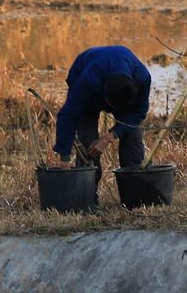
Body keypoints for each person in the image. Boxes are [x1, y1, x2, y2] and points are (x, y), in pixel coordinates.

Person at [52, 45, 151, 199]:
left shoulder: (142, 78)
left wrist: (110, 137)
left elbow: (138, 112)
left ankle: (134, 197)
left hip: (122, 88)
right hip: (85, 72)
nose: (110, 110)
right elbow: (67, 116)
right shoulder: (88, 80)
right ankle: (87, 197)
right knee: (87, 141)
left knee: (132, 136)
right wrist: (64, 158)